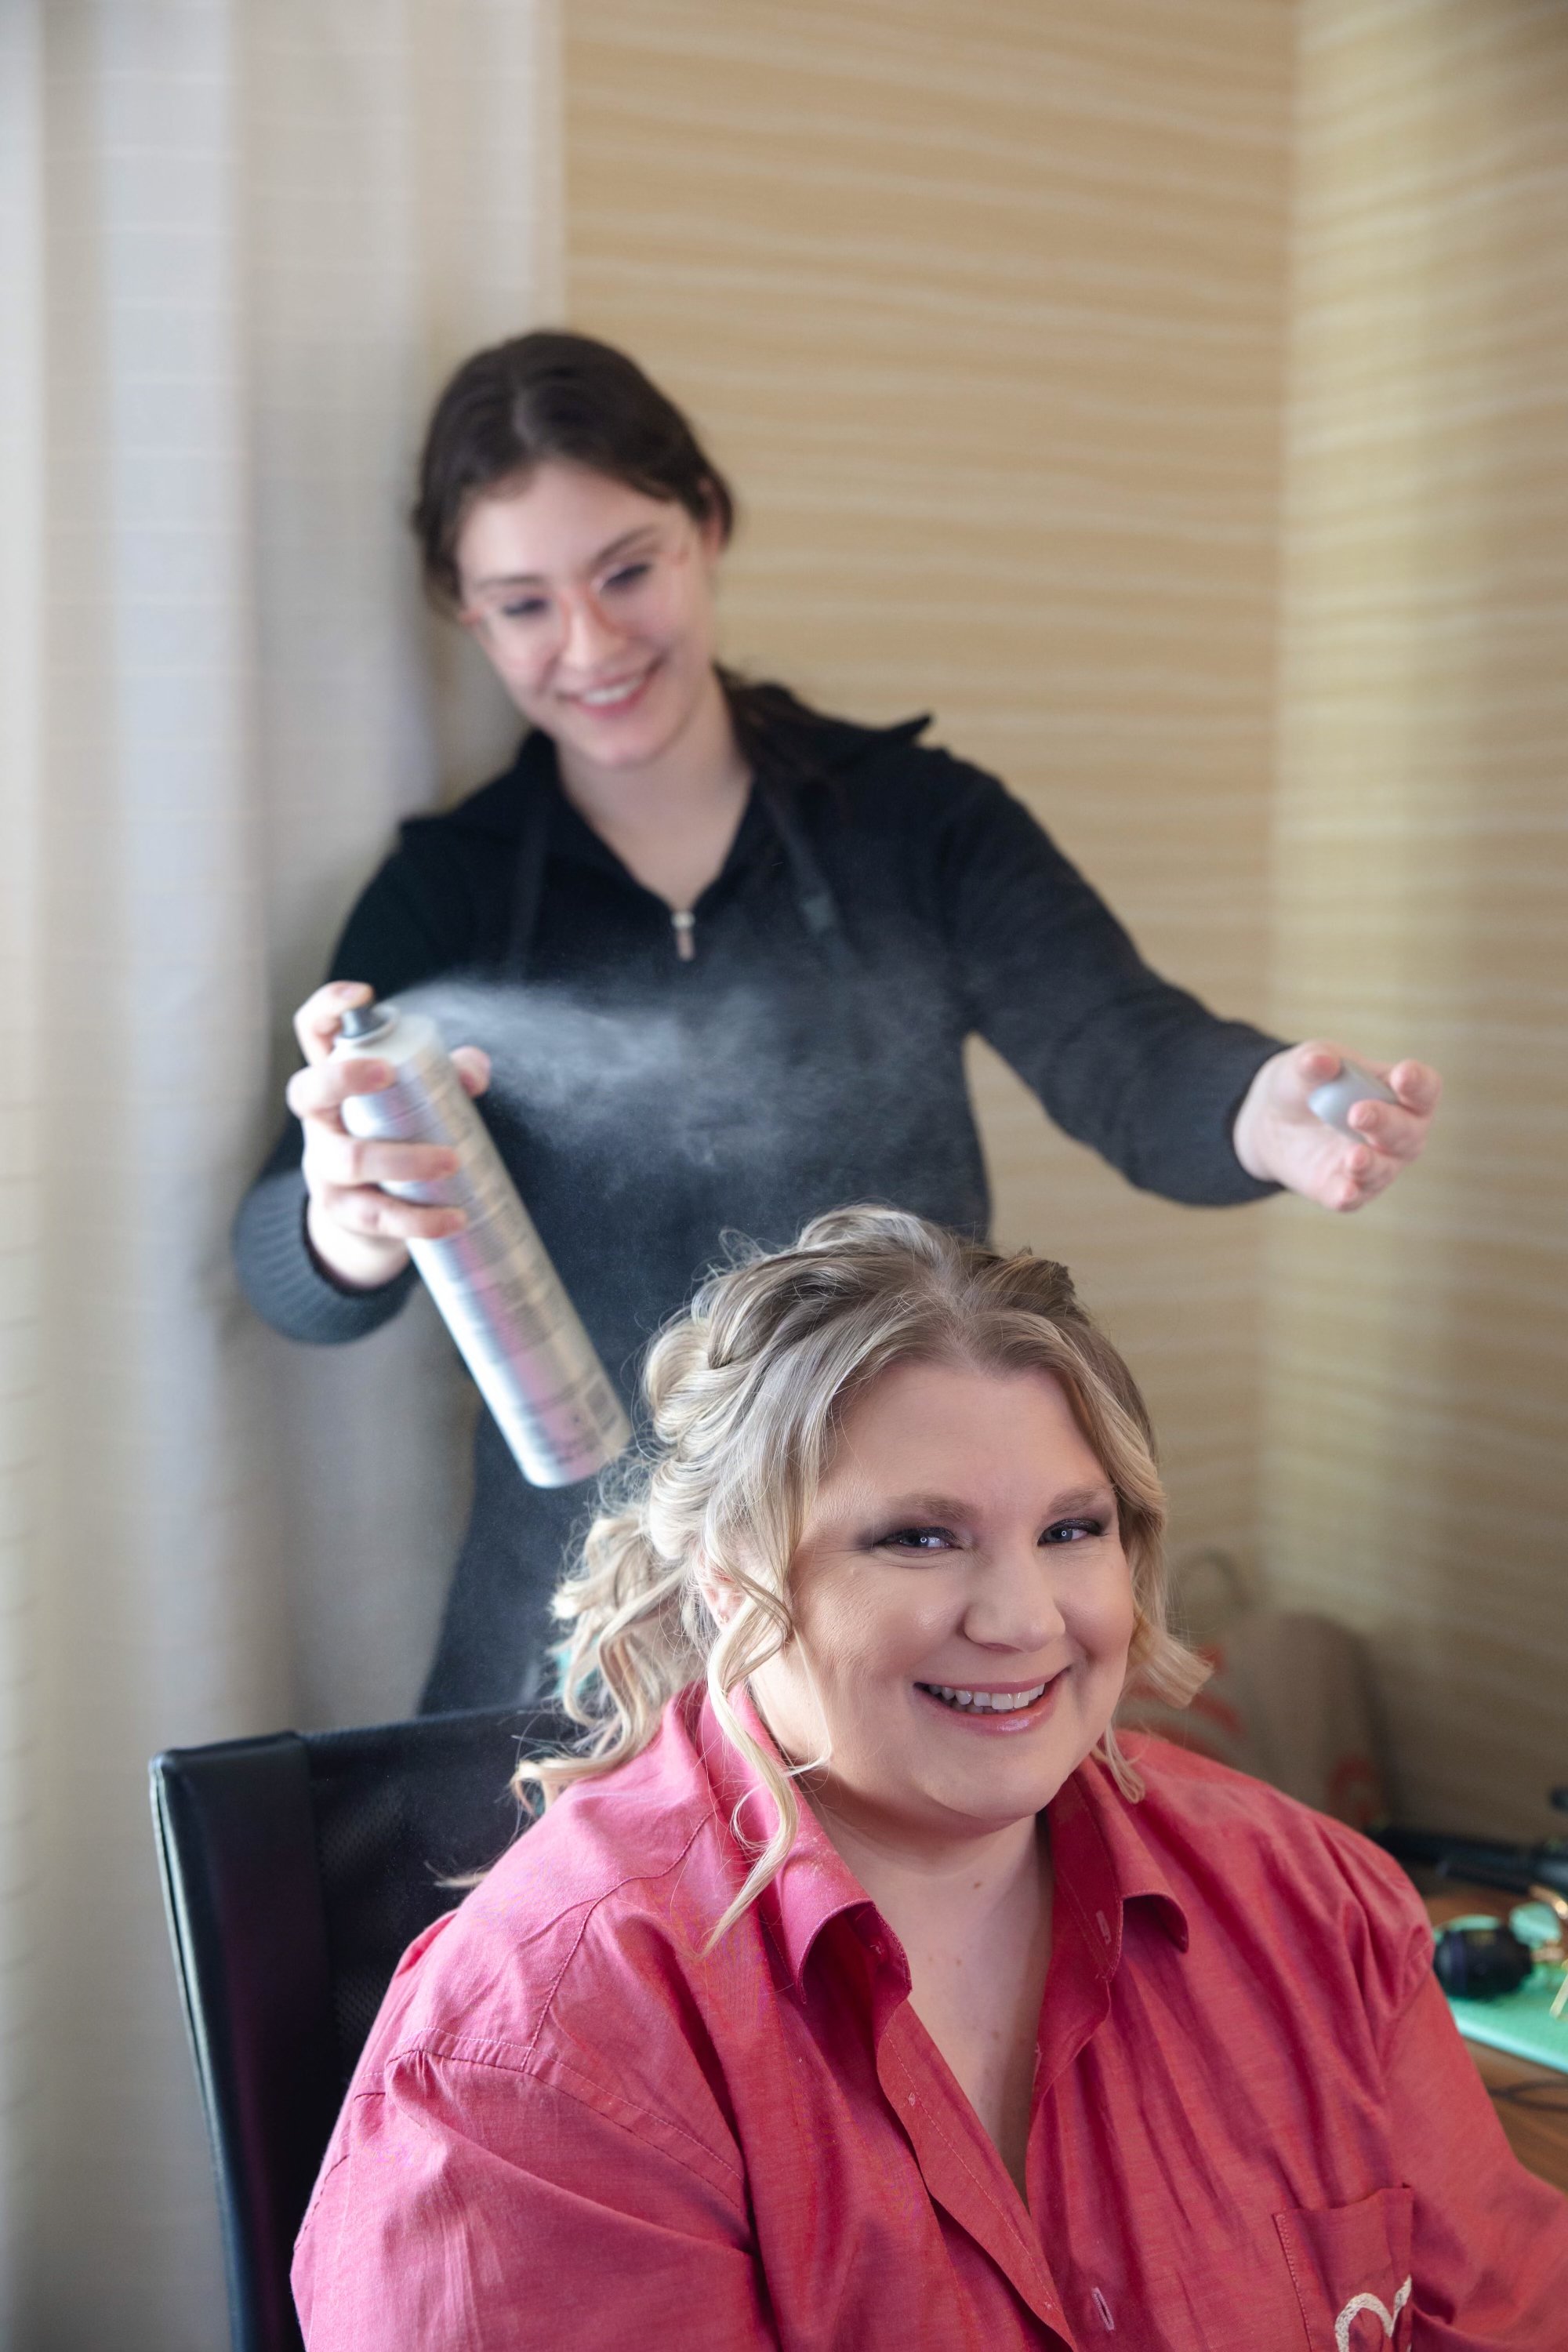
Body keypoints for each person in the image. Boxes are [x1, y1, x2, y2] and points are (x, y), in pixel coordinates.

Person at [234, 331, 1441, 1711]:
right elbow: (281, 1273)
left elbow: (1134, 1058)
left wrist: (1259, 1109)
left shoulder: (919, 828)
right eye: (523, 605)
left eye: (627, 571)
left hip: (912, 1597)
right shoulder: (444, 896)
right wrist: (349, 1217)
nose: (590, 644)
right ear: (465, 613)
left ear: (707, 524)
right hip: (574, 1623)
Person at [292, 1208, 1566, 2350]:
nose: (1024, 1619)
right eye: (918, 1537)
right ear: (730, 1580)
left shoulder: (1317, 1904)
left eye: (1071, 1530)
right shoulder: (541, 2058)